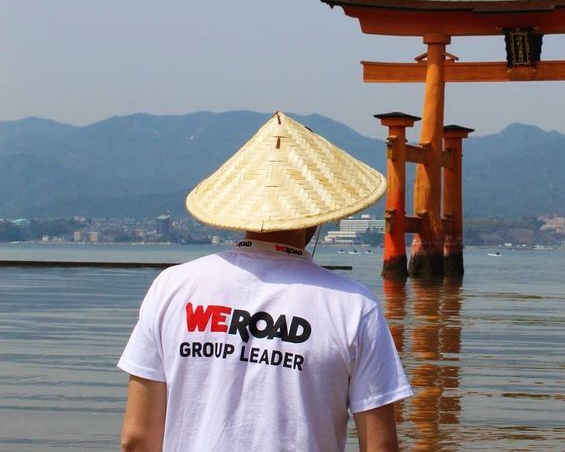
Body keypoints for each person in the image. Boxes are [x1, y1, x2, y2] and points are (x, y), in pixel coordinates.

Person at [118, 112, 412, 452]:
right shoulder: (353, 306)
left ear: (239, 204)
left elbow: (136, 438)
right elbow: (379, 446)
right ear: (320, 214)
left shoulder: (172, 287)